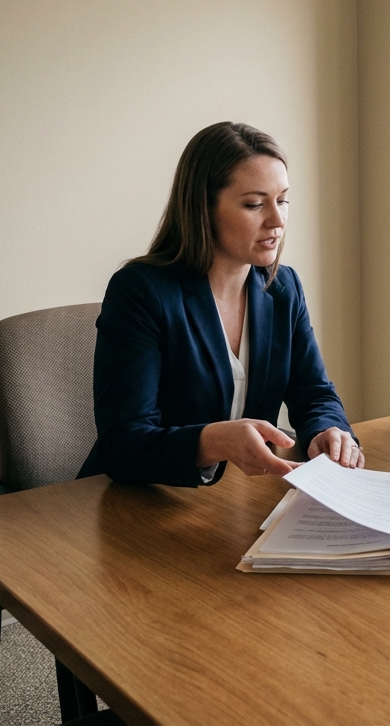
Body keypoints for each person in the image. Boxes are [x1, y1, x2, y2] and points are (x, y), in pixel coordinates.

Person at [78, 122, 361, 486]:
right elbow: (123, 444)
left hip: (229, 503)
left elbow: (314, 393)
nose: (277, 220)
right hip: (135, 503)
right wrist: (213, 441)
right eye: (254, 204)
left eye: (283, 200)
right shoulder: (140, 291)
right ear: (203, 208)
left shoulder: (282, 288)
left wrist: (329, 430)